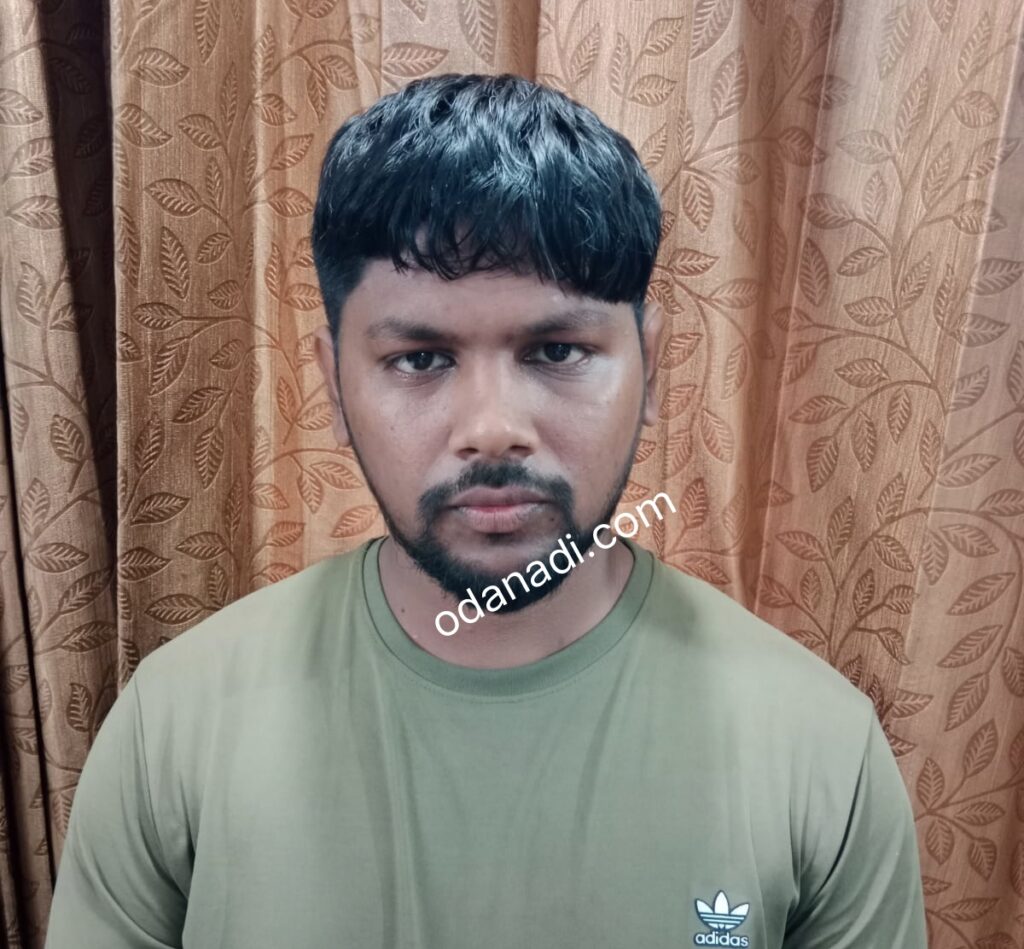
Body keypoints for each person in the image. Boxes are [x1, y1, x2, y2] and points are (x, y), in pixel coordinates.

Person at [45, 73, 927, 948]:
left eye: (557, 350)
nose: (493, 429)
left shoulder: (821, 752)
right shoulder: (173, 728)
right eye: (420, 359)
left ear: (652, 369)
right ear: (334, 387)